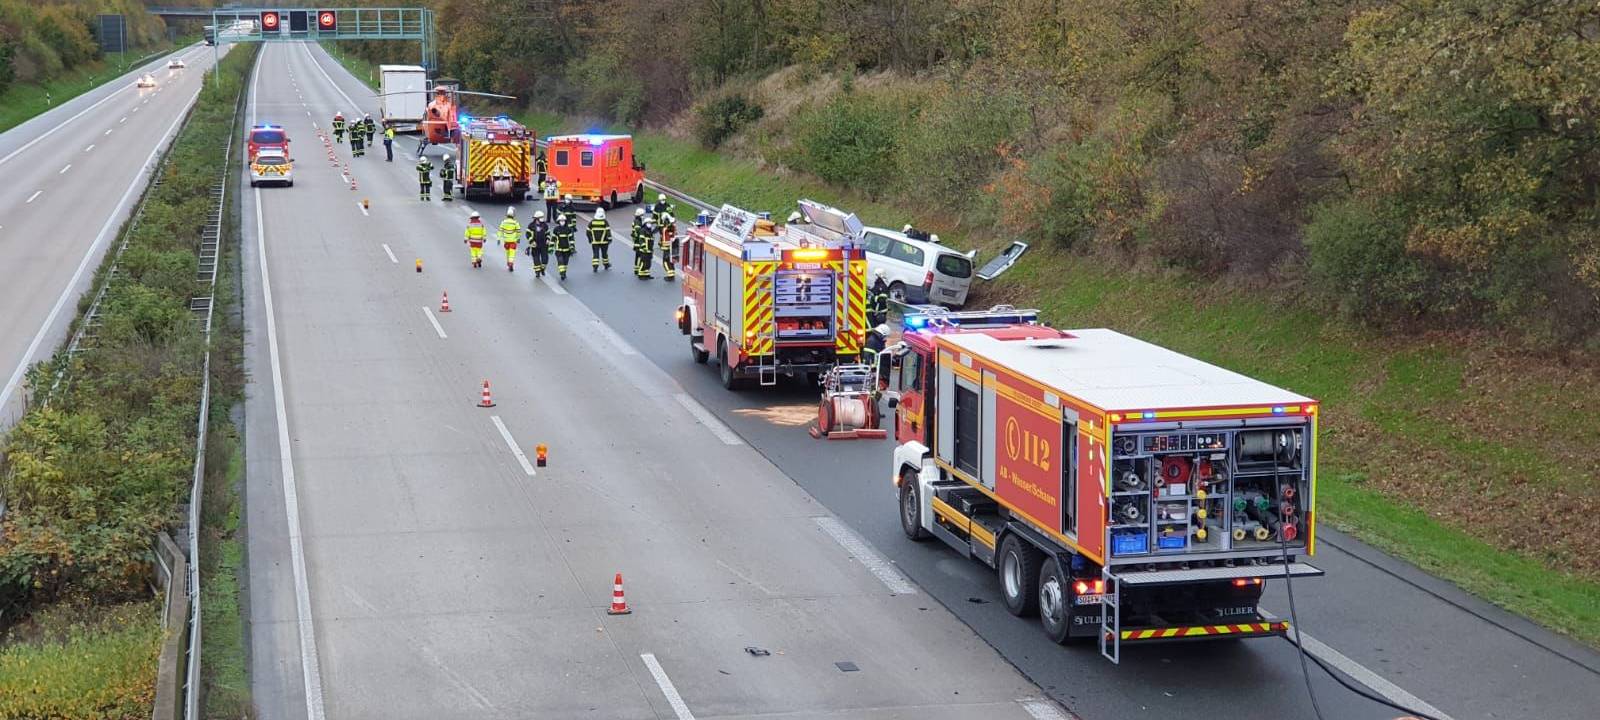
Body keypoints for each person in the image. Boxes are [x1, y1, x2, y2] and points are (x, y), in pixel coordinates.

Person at [551, 213, 577, 280]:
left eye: (563, 221)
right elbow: (553, 239)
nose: (562, 222)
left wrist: (572, 248)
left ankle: (564, 272)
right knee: (560, 261)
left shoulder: (568, 229)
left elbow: (571, 239)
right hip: (558, 249)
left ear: (565, 221)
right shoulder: (556, 229)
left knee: (565, 263)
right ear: (558, 221)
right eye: (561, 221)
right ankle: (562, 273)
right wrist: (550, 248)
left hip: (567, 250)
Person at [631, 208, 655, 279]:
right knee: (641, 259)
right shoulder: (638, 222)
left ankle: (646, 273)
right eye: (642, 215)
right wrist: (643, 246)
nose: (643, 216)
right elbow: (639, 234)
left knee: (647, 262)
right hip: (639, 244)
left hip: (647, 248)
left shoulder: (640, 222)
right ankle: (640, 272)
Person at [587, 207, 613, 272]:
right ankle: (606, 264)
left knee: (595, 254)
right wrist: (610, 239)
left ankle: (595, 267)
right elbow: (608, 231)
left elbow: (587, 231)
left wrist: (590, 239)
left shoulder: (592, 222)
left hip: (595, 242)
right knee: (604, 254)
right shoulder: (605, 222)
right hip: (604, 242)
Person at [526, 210, 550, 278]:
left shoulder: (545, 225)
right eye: (541, 217)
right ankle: (537, 272)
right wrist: (531, 241)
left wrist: (548, 239)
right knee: (536, 259)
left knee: (545, 259)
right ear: (536, 218)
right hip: (535, 245)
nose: (542, 218)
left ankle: (542, 269)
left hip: (544, 245)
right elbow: (527, 234)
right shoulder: (531, 226)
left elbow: (548, 233)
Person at [498, 206, 521, 272]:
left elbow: (500, 230)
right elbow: (518, 231)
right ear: (513, 216)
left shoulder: (503, 222)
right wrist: (518, 238)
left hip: (506, 241)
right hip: (513, 241)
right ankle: (511, 262)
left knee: (507, 252)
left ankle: (508, 263)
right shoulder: (515, 222)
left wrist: (499, 239)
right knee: (512, 253)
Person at [658, 209, 677, 281]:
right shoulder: (672, 227)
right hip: (671, 247)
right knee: (671, 261)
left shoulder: (667, 228)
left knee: (665, 262)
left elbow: (667, 228)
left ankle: (670, 276)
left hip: (667, 248)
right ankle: (672, 274)